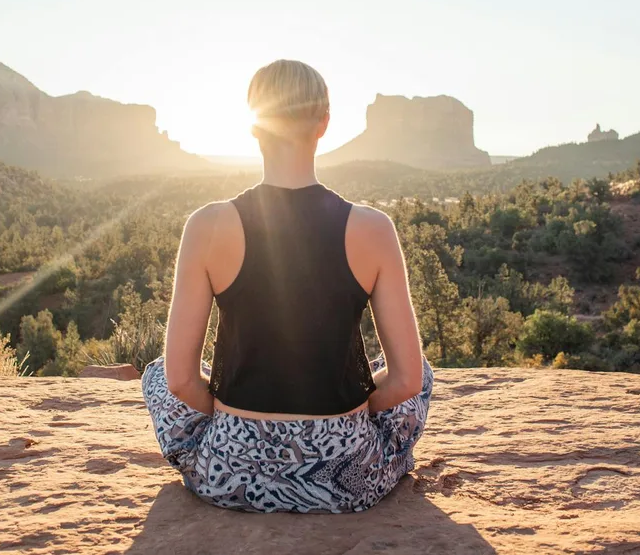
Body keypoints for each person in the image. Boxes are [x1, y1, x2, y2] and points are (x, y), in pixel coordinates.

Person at [142, 59, 432, 513]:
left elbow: (180, 380)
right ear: (324, 124)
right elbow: (407, 379)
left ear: (254, 127)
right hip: (343, 477)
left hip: (232, 475)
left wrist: (234, 422)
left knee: (157, 373)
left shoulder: (207, 226)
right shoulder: (374, 229)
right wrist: (342, 419)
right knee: (424, 371)